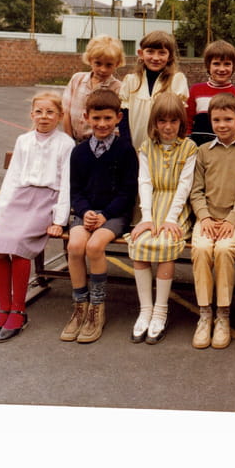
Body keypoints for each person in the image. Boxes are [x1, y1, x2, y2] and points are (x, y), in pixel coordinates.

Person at [0, 91, 73, 342]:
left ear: (60, 116)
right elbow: (12, 179)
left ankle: (19, 311)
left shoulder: (66, 144)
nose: (44, 117)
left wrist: (58, 221)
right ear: (32, 115)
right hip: (20, 199)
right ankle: (4, 309)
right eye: (39, 112)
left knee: (19, 243)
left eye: (50, 112)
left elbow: (66, 184)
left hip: (46, 201)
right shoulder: (23, 140)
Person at [61, 88, 138, 343]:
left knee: (94, 246)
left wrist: (105, 214)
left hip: (114, 215)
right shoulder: (80, 152)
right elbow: (76, 190)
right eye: (96, 118)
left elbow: (128, 191)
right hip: (87, 212)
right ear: (86, 117)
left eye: (108, 118)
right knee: (75, 245)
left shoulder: (125, 149)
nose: (102, 124)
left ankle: (97, 307)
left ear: (118, 117)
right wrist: (86, 212)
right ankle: (79, 305)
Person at [126, 93, 198, 344]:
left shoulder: (189, 148)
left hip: (176, 208)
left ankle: (160, 310)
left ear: (181, 122)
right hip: (152, 204)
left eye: (173, 121)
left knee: (166, 243)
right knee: (139, 243)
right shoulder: (146, 147)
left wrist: (170, 218)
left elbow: (184, 186)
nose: (168, 127)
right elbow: (144, 181)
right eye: (162, 121)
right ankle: (145, 309)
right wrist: (146, 217)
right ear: (154, 123)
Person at [190, 93, 235, 349]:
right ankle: (205, 314)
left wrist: (231, 220)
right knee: (202, 248)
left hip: (232, 221)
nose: (222, 125)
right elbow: (196, 190)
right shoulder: (203, 152)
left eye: (228, 119)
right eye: (217, 120)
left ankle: (223, 315)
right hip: (206, 218)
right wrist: (204, 217)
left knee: (226, 249)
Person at [119, 30, 188, 148]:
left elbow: (179, 118)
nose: (155, 58)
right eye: (150, 52)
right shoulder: (131, 81)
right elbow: (123, 119)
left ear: (170, 56)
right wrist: (127, 146)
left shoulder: (176, 80)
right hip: (136, 148)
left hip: (166, 149)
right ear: (141, 53)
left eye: (162, 53)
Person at [62, 34, 125, 141]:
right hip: (73, 141)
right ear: (90, 60)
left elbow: (117, 122)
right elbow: (65, 112)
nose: (103, 69)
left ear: (117, 63)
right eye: (98, 63)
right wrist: (69, 140)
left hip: (100, 144)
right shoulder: (77, 79)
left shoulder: (118, 88)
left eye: (109, 65)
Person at [185, 39, 235, 147]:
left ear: (234, 66)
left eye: (227, 64)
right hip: (198, 149)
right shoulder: (195, 91)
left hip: (228, 151)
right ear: (208, 66)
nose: (222, 69)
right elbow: (187, 121)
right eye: (216, 64)